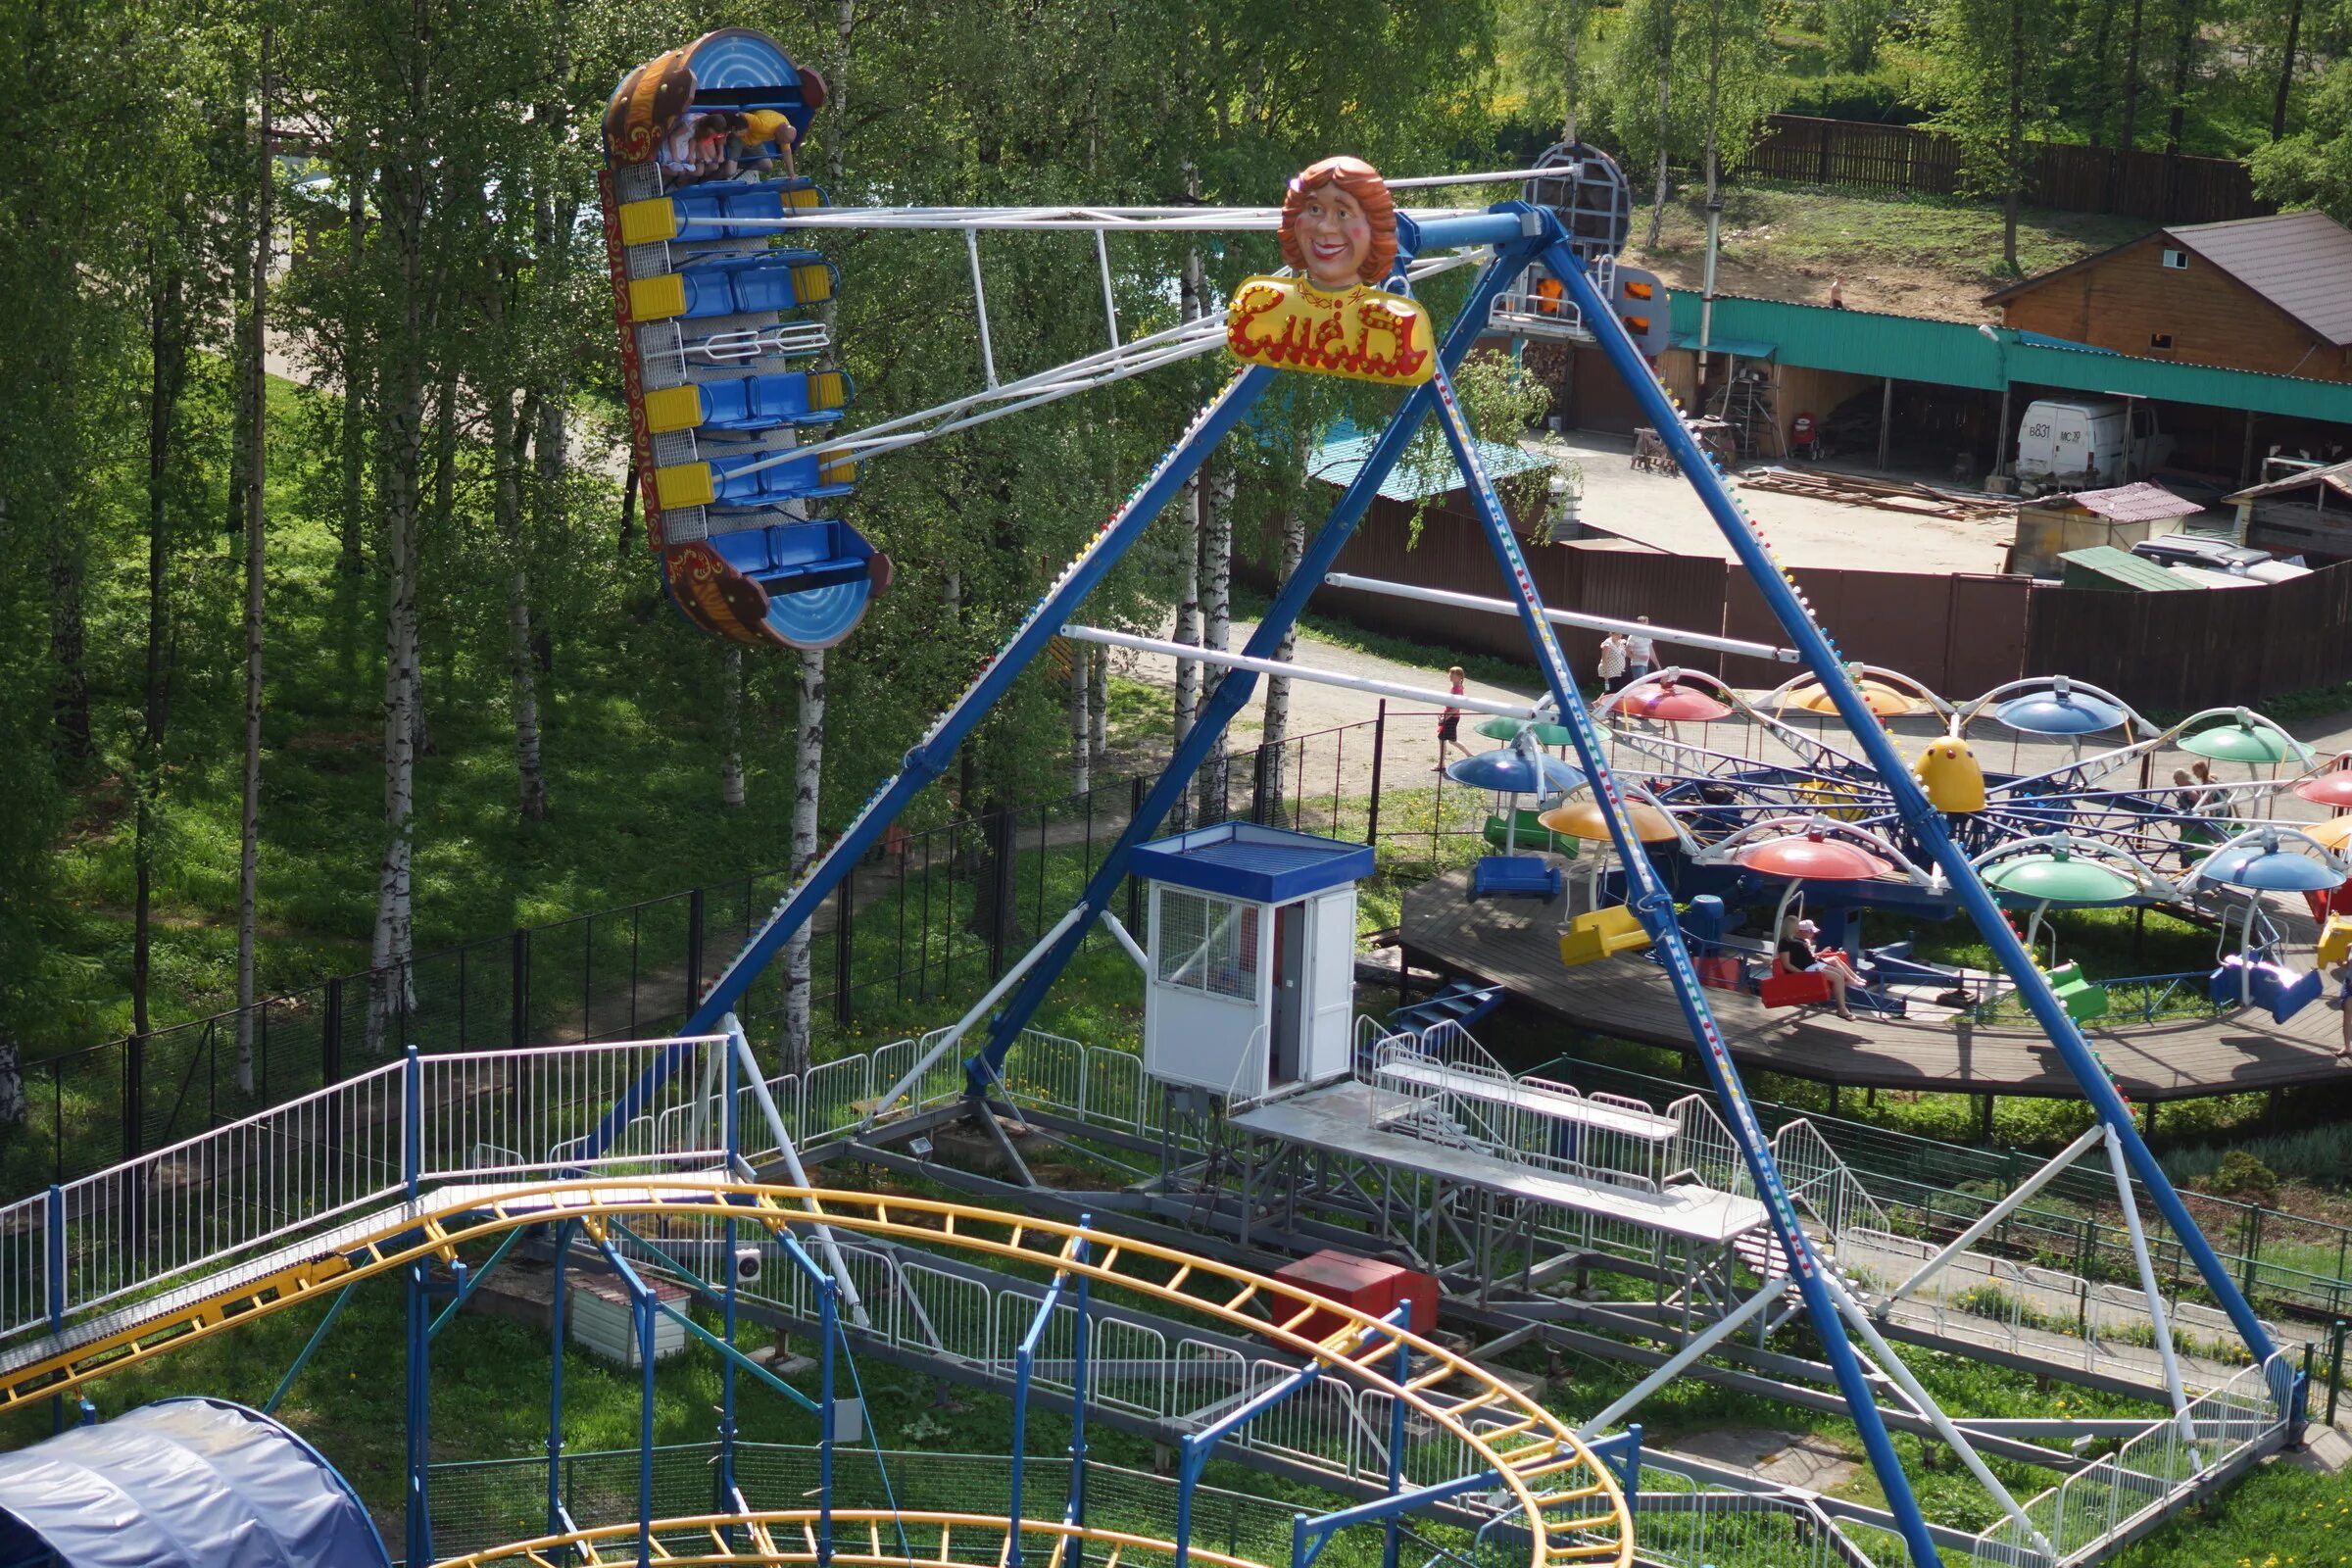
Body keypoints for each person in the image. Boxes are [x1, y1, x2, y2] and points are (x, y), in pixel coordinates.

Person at [1779, 915, 1858, 1020]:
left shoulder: (1796, 939)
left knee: (1840, 973)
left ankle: (1844, 993)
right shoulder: (1784, 942)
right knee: (1837, 977)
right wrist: (1802, 973)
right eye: (1797, 924)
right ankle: (1842, 1009)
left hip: (1813, 964)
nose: (1798, 926)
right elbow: (1786, 964)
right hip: (1806, 968)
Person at [1435, 666, 1473, 770]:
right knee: (1452, 740)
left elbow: (1456, 708)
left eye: (1453, 674)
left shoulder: (1457, 689)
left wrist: (1445, 717)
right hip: (1451, 717)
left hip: (1452, 718)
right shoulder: (1456, 687)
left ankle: (1441, 764)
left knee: (1442, 739)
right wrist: (1444, 715)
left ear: (1460, 677)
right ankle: (1470, 756)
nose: (1450, 676)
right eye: (1450, 673)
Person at [1626, 617, 1657, 684]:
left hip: (1645, 665)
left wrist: (1658, 665)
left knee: (1643, 686)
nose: (1647, 624)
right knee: (1640, 686)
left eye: (1647, 622)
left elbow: (1651, 652)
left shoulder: (1647, 635)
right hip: (1637, 665)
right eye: (1646, 622)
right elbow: (1627, 652)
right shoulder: (1633, 636)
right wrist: (1640, 657)